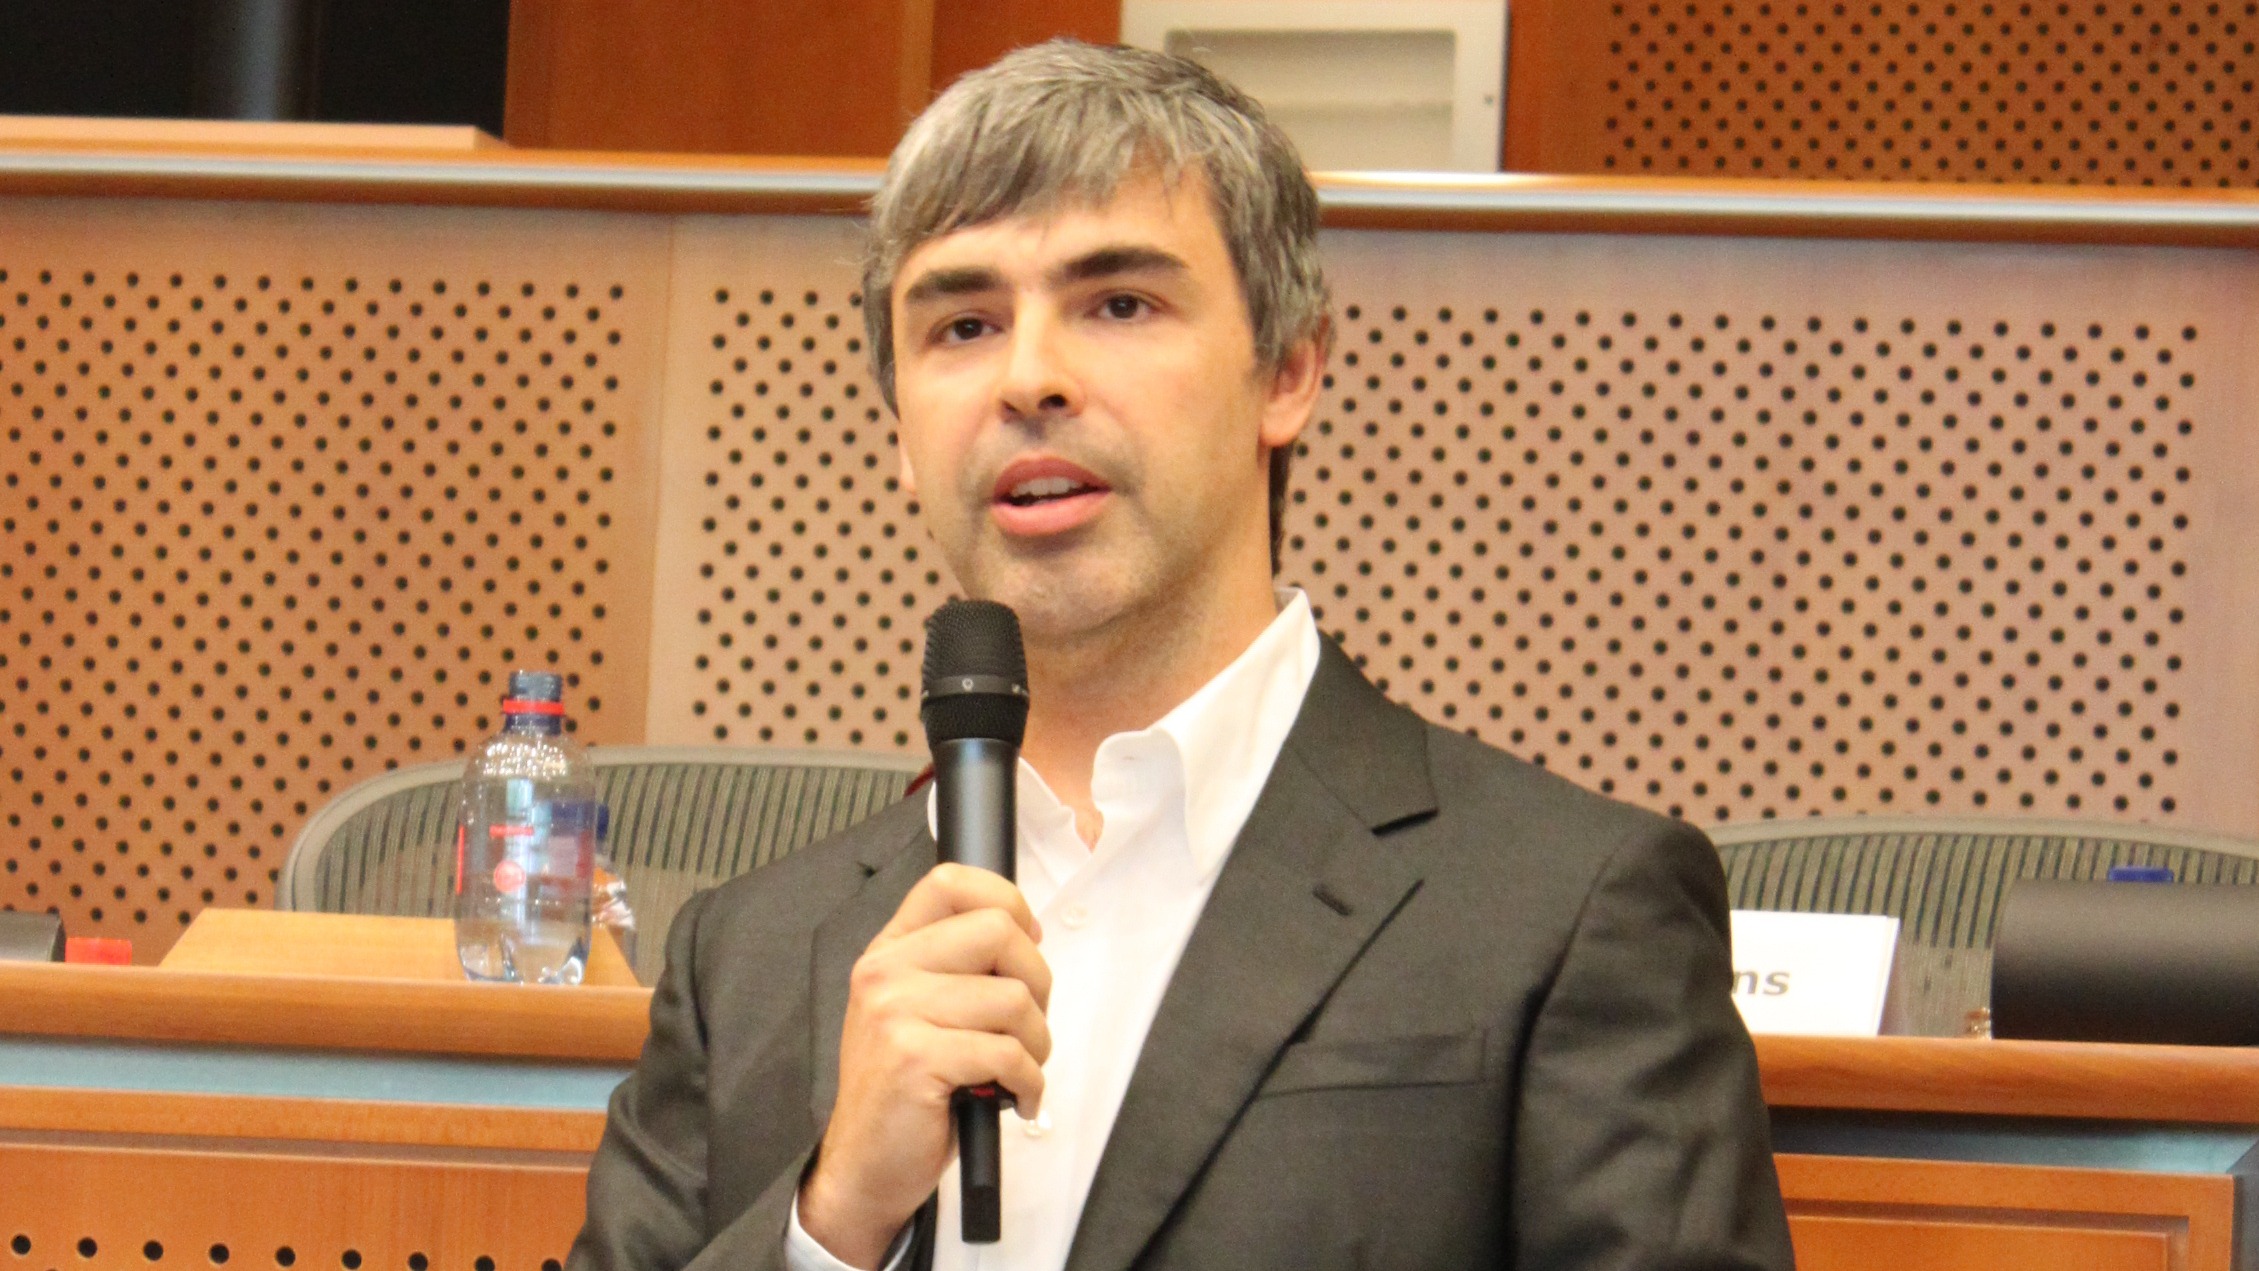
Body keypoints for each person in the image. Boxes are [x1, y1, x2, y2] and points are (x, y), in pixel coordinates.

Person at [569, 39, 1794, 1271]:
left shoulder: (1567, 908)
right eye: (963, 323)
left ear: (1291, 370)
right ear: (899, 431)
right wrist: (830, 1224)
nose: (1030, 377)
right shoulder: (750, 956)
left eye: (1118, 304)